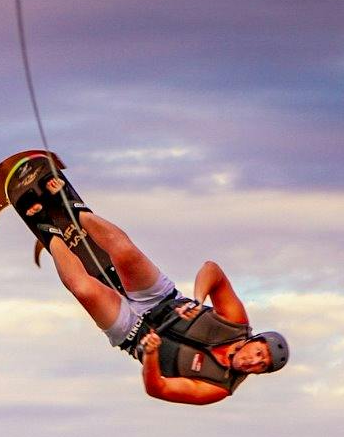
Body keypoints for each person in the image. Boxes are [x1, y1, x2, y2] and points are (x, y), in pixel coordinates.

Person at [17, 169, 290, 405]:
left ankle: (46, 228)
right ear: (254, 341)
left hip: (134, 334)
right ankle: (70, 208)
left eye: (260, 366)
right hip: (159, 298)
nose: (254, 361)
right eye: (258, 353)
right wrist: (197, 300)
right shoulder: (236, 322)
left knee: (84, 290)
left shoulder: (218, 388)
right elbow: (212, 270)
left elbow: (157, 388)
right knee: (125, 253)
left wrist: (150, 355)